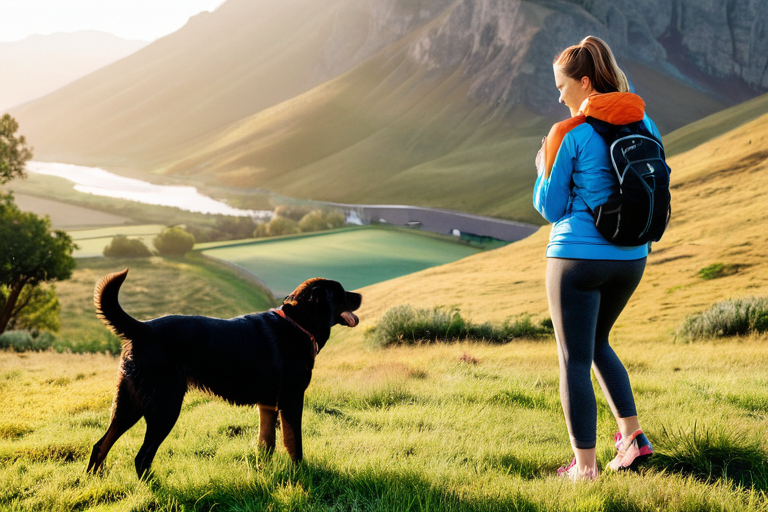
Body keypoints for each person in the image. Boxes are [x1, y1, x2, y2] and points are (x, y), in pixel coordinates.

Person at [532, 35, 657, 480]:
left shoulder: (568, 132)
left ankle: (584, 470)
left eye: (562, 86)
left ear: (584, 83)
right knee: (598, 343)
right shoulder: (645, 123)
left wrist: (541, 167)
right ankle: (633, 440)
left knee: (574, 359)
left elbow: (550, 207)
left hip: (578, 259)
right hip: (633, 258)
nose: (559, 95)